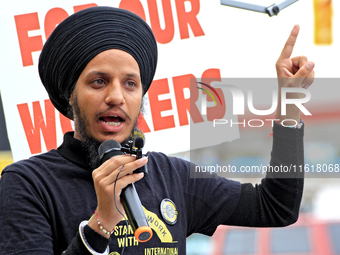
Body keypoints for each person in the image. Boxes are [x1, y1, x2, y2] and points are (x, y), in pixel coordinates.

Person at [0, 6, 314, 255]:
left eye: (130, 83)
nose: (116, 96)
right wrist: (101, 224)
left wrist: (289, 105)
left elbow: (276, 207)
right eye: (98, 81)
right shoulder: (28, 184)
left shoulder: (171, 176)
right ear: (70, 95)